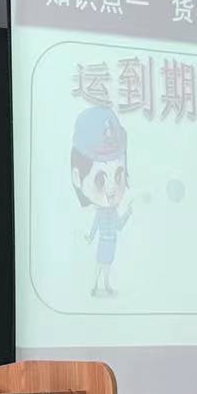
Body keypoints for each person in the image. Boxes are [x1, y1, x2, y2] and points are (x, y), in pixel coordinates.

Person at [70, 104, 132, 297]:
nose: (112, 190)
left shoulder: (113, 212)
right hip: (103, 242)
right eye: (100, 179)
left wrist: (128, 212)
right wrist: (89, 237)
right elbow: (95, 227)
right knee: (99, 264)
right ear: (77, 178)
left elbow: (119, 226)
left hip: (111, 242)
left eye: (119, 175)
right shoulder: (99, 212)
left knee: (107, 265)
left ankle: (106, 285)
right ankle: (96, 285)